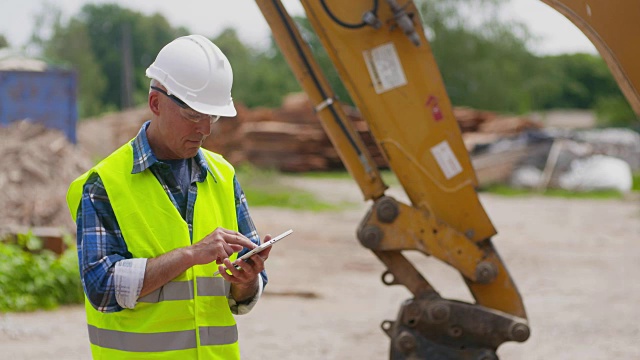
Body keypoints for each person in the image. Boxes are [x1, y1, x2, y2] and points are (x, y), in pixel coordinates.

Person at [66, 34, 270, 360]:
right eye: (193, 115)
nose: (205, 128)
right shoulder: (104, 184)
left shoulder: (223, 175)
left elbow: (245, 294)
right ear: (156, 103)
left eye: (213, 116)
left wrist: (246, 281)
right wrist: (190, 255)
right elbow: (102, 288)